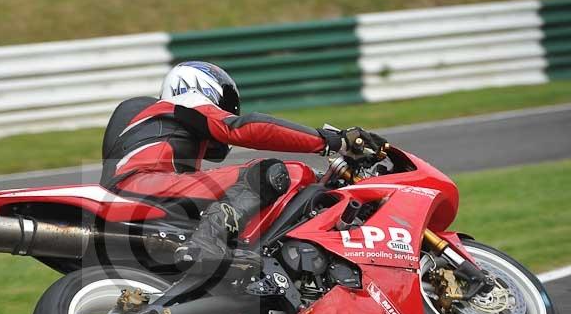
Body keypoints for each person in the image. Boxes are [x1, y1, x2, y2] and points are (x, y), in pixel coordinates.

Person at [100, 61, 387, 266]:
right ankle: (208, 241)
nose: (224, 110)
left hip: (143, 193)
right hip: (145, 185)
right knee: (274, 172)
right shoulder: (184, 101)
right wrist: (329, 140)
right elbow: (245, 128)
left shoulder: (156, 123)